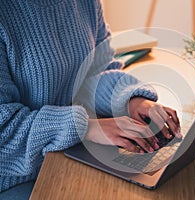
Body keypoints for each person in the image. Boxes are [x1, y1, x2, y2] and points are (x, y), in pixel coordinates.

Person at [0, 0, 181, 194]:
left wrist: (132, 100)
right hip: (18, 178)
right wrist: (84, 127)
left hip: (76, 153)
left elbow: (98, 71)